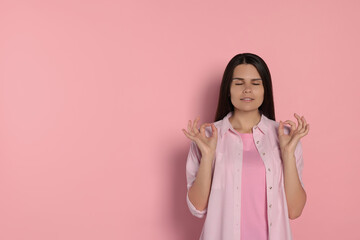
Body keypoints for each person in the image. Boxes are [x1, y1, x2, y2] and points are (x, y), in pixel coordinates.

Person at [182, 53, 310, 240]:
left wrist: (288, 153)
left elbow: (295, 210)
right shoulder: (207, 137)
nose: (247, 90)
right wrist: (208, 155)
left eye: (256, 83)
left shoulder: (285, 138)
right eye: (239, 83)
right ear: (228, 89)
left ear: (265, 89)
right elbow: (197, 207)